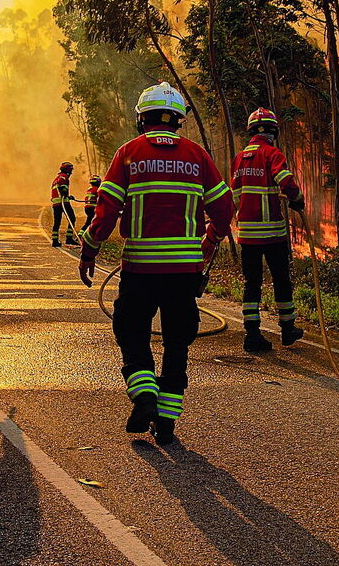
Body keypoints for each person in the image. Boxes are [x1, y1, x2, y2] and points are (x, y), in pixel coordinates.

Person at [78, 82, 233, 446]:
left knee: (131, 333)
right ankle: (166, 423)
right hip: (184, 272)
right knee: (178, 343)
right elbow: (224, 209)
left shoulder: (130, 153)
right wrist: (209, 243)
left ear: (141, 118)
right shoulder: (197, 156)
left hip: (141, 269)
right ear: (178, 120)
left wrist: (89, 249)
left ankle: (144, 397)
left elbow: (106, 211)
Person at [231, 107, 305, 352]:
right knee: (281, 280)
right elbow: (285, 180)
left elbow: (235, 194)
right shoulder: (272, 154)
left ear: (252, 131)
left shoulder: (240, 158)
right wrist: (297, 198)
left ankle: (252, 334)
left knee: (252, 282)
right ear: (273, 131)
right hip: (272, 232)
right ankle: (287, 329)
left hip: (248, 234)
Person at [51, 161, 78, 247]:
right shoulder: (64, 177)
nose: (71, 173)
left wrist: (68, 196)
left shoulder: (57, 178)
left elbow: (59, 189)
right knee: (72, 218)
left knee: (57, 222)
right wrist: (66, 195)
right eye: (71, 171)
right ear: (68, 170)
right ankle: (69, 239)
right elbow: (63, 188)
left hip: (56, 203)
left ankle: (54, 241)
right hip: (63, 203)